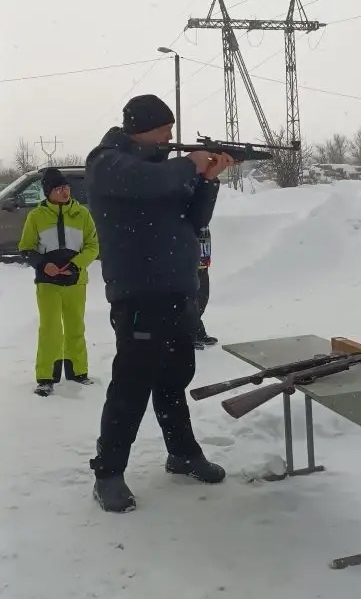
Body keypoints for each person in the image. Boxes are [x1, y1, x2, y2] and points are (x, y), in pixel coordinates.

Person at [85, 93, 235, 512]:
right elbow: (145, 181)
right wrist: (190, 163)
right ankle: (108, 473)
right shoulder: (107, 162)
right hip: (138, 293)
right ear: (141, 128)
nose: (171, 137)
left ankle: (182, 453)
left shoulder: (161, 168)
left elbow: (194, 219)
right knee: (131, 385)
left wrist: (208, 179)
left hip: (176, 290)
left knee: (174, 377)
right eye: (165, 130)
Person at [18, 167, 99, 396]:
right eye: (59, 189)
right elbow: (26, 248)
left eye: (66, 187)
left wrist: (75, 265)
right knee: (50, 329)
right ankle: (46, 377)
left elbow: (93, 246)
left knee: (76, 327)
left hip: (76, 281)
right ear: (48, 192)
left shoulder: (82, 214)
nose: (65, 192)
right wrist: (43, 264)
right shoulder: (36, 216)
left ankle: (78, 372)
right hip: (48, 284)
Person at [194, 225, 218, 349]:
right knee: (191, 300)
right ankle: (189, 334)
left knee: (202, 298)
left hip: (203, 263)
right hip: (189, 264)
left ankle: (197, 331)